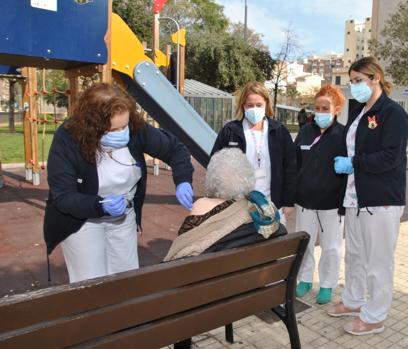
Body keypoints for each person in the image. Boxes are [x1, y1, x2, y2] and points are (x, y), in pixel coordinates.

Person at [44, 83, 194, 283]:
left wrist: (183, 180)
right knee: (90, 284)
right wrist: (99, 205)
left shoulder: (135, 129)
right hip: (82, 220)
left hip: (123, 216)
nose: (122, 133)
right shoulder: (68, 138)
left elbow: (175, 149)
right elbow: (62, 196)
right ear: (93, 127)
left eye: (124, 126)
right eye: (114, 129)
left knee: (126, 279)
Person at [164, 148, 286, 349]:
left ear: (213, 178)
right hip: (248, 293)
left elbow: (181, 252)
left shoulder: (202, 206)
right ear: (246, 176)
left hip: (204, 300)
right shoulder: (260, 209)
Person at [328, 57, 408, 335]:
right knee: (355, 255)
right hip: (354, 197)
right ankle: (353, 300)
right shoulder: (359, 112)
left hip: (381, 200)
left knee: (378, 261)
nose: (354, 87)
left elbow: (391, 156)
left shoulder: (393, 114)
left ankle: (375, 316)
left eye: (358, 80)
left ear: (375, 78)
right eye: (351, 81)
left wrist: (355, 163)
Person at [211, 81, 297, 224]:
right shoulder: (230, 131)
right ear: (243, 105)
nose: (254, 109)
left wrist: (288, 202)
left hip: (273, 204)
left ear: (266, 104)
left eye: (259, 105)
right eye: (250, 105)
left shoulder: (279, 131)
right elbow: (215, 165)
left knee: (273, 245)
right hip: (239, 206)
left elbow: (290, 167)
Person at [293, 85, 346, 305]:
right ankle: (305, 279)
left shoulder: (343, 134)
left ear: (336, 109)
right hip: (304, 202)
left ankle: (326, 285)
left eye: (326, 108)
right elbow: (295, 162)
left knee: (331, 247)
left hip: (332, 203)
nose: (321, 112)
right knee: (304, 244)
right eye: (317, 108)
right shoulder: (306, 131)